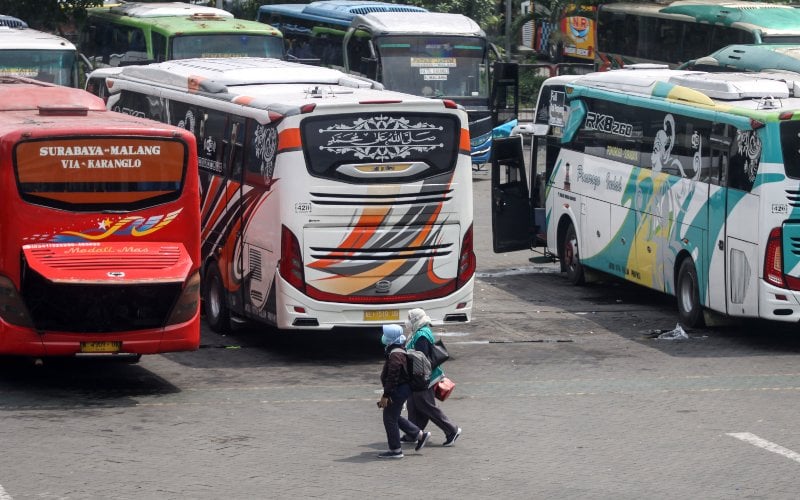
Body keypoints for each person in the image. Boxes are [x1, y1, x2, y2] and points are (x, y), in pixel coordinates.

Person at [403, 308, 462, 446]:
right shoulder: (418, 333)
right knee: (414, 404)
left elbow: (420, 359)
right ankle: (413, 433)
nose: (407, 322)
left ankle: (451, 430)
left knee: (426, 406)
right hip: (420, 377)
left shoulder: (421, 335)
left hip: (423, 378)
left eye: (409, 318)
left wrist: (418, 379)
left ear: (416, 320)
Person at [377, 324, 431, 459]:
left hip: (398, 390)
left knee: (389, 419)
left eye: (385, 334)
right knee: (394, 416)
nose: (383, 337)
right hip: (401, 389)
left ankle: (395, 450)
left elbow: (393, 376)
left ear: (390, 337)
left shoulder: (395, 354)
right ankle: (420, 435)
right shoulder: (397, 349)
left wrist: (386, 395)